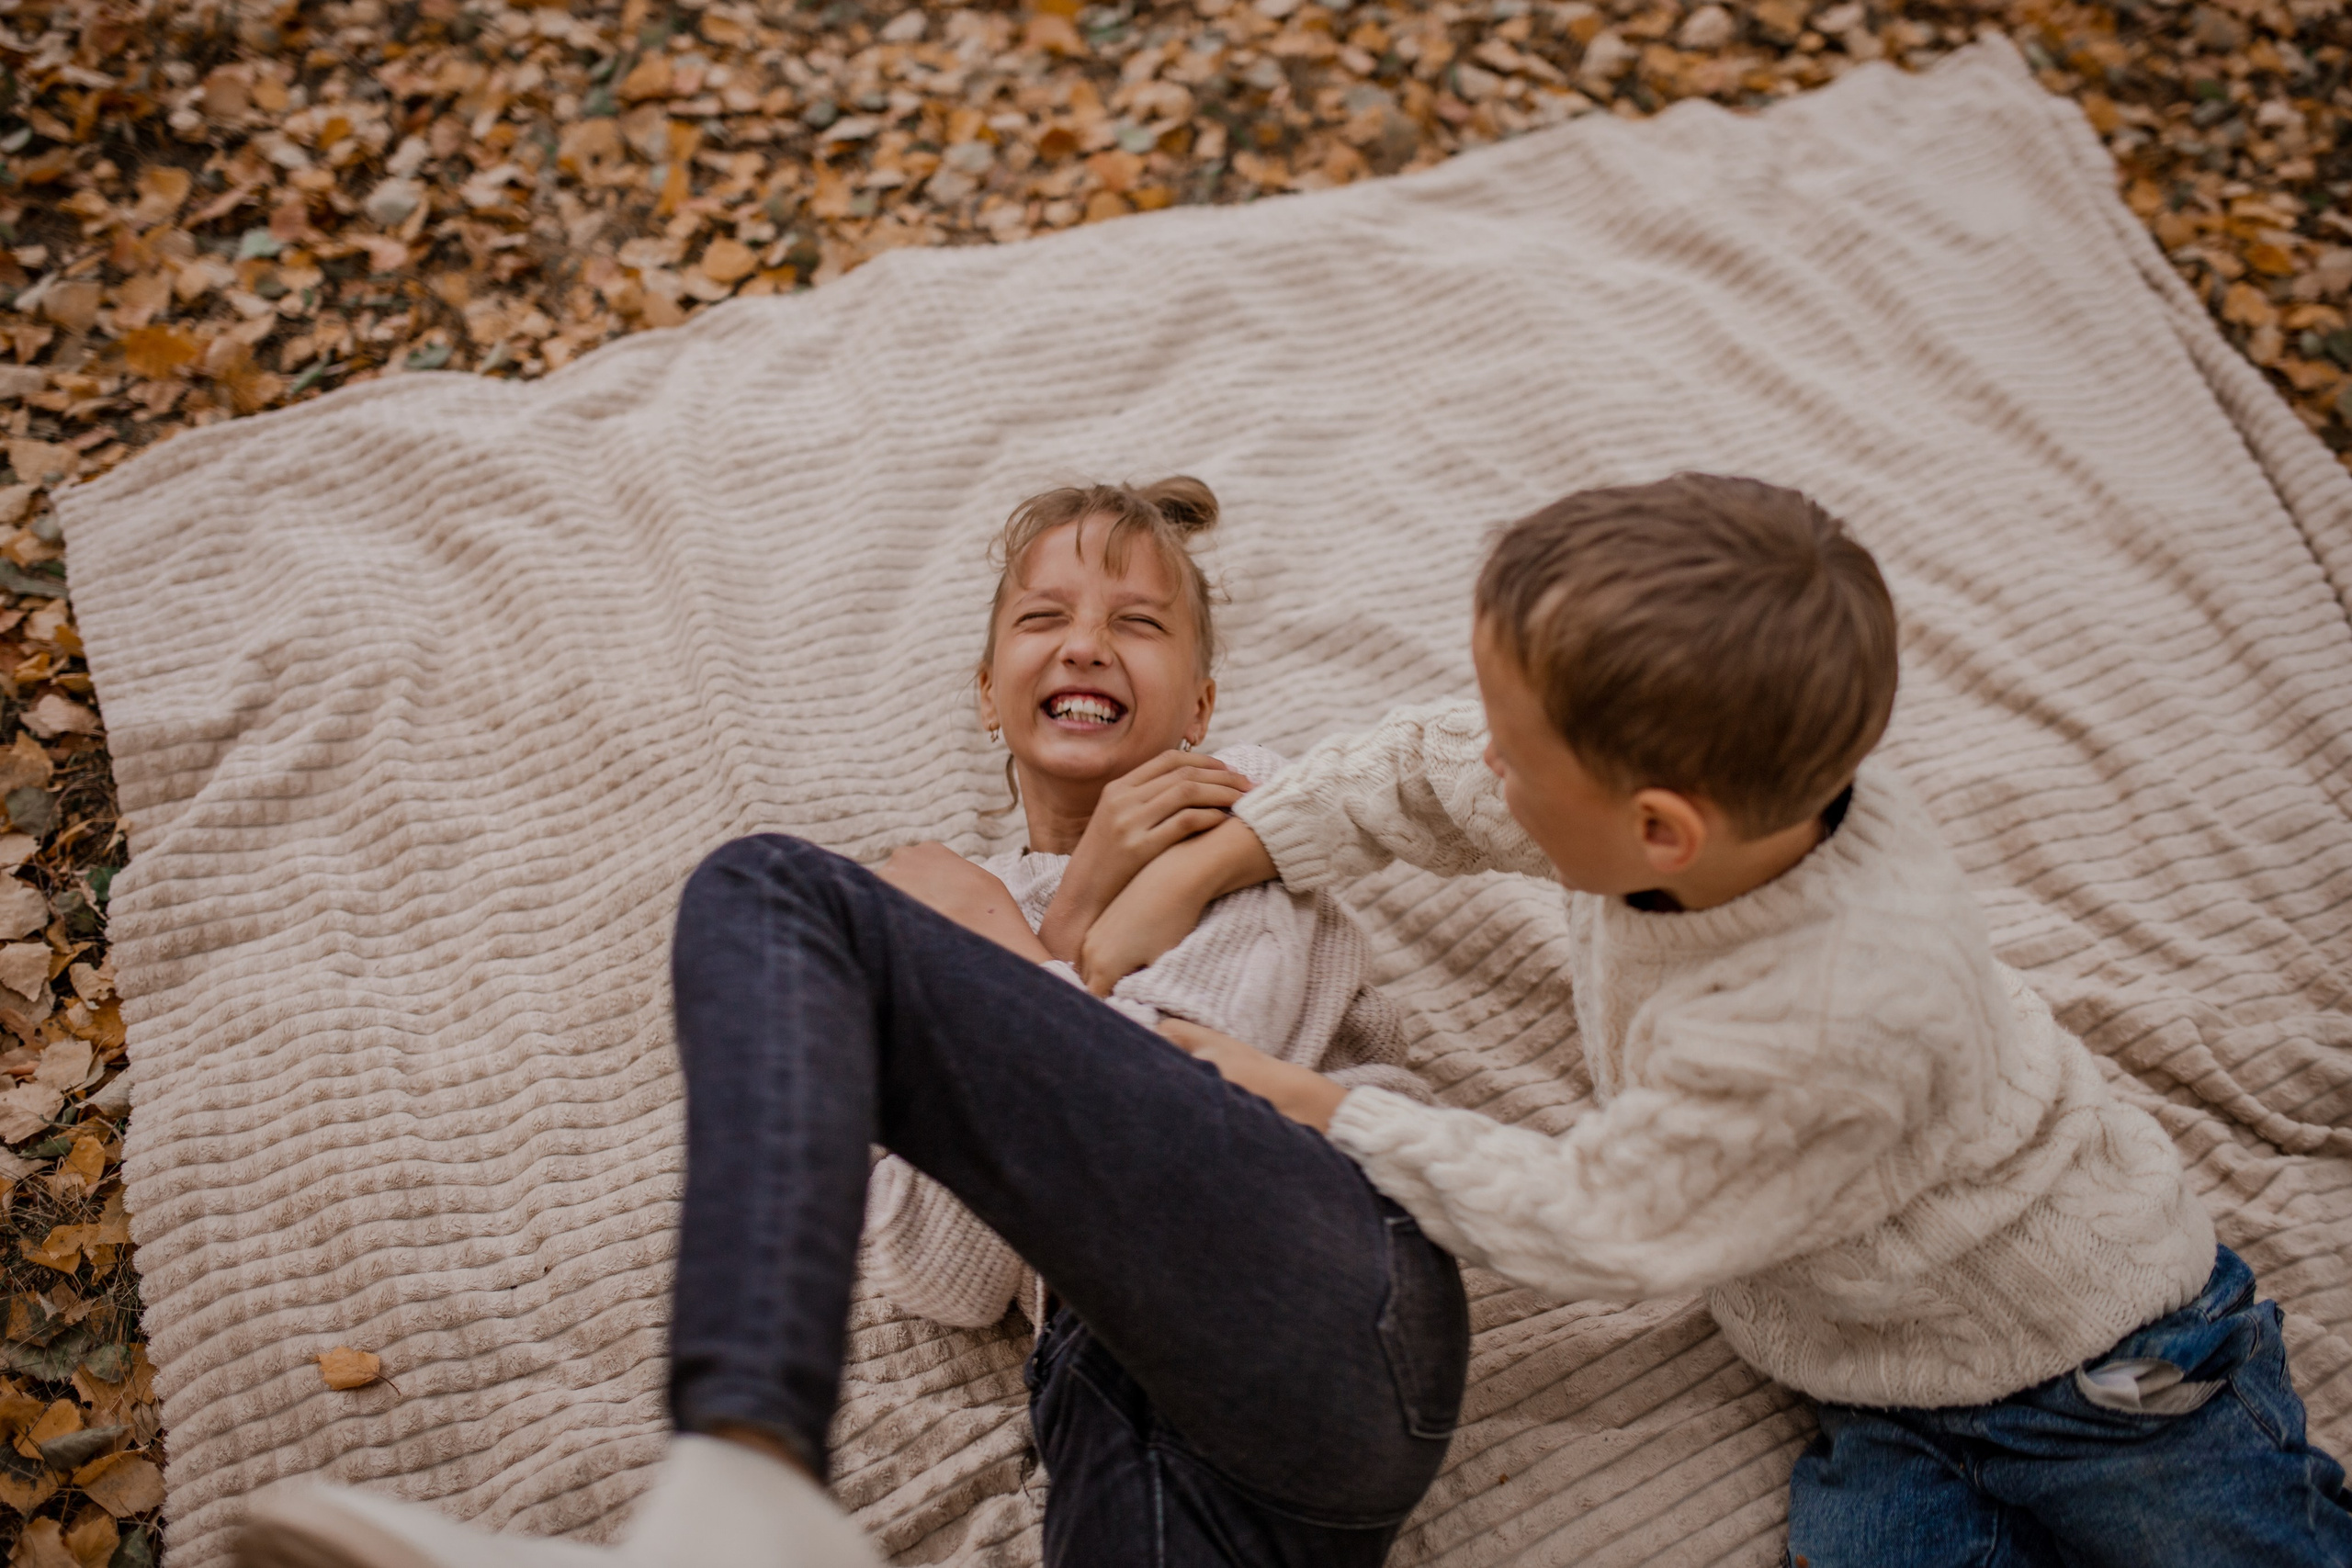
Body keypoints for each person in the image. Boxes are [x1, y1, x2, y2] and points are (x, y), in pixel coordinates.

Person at [1078, 472, 2352, 1568]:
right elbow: (1434, 777)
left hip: (2097, 1363)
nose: (1489, 769)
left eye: (1519, 758)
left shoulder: (1826, 1015)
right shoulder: (1745, 793)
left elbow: (1611, 1218)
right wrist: (1223, 853)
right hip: (1876, 1375)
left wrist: (1310, 1103)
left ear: (1657, 833)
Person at [232, 479, 1470, 1568]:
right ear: (990, 694)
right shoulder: (943, 921)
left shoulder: (1236, 805)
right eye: (1043, 619)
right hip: (1137, 1418)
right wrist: (1054, 920)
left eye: (1137, 625)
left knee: (767, 891)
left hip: (1316, 1285)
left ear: (1197, 706)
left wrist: (1001, 937)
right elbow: (945, 1277)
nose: (1085, 645)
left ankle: (743, 1479)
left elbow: (1201, 1104)